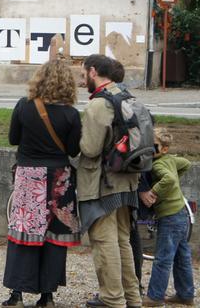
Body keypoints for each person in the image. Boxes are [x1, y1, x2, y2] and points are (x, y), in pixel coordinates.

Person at [1, 59, 82, 308]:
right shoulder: (71, 114)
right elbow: (72, 149)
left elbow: (14, 138)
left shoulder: (24, 107)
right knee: (53, 237)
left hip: (29, 176)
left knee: (23, 234)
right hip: (59, 178)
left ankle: (17, 292)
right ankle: (47, 295)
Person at [78, 54, 142, 308]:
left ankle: (112, 299)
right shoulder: (127, 96)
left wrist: (75, 140)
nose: (83, 82)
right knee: (122, 240)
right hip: (128, 181)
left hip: (103, 184)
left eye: (83, 76)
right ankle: (132, 298)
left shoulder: (98, 105)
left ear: (93, 72)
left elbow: (90, 148)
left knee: (104, 242)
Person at [140, 130, 195, 307]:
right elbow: (186, 163)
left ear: (163, 149)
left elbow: (169, 179)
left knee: (163, 258)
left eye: (152, 145)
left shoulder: (157, 165)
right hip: (181, 214)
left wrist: (153, 192)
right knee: (182, 256)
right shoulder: (170, 159)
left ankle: (155, 297)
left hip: (170, 216)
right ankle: (186, 294)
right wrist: (174, 183)